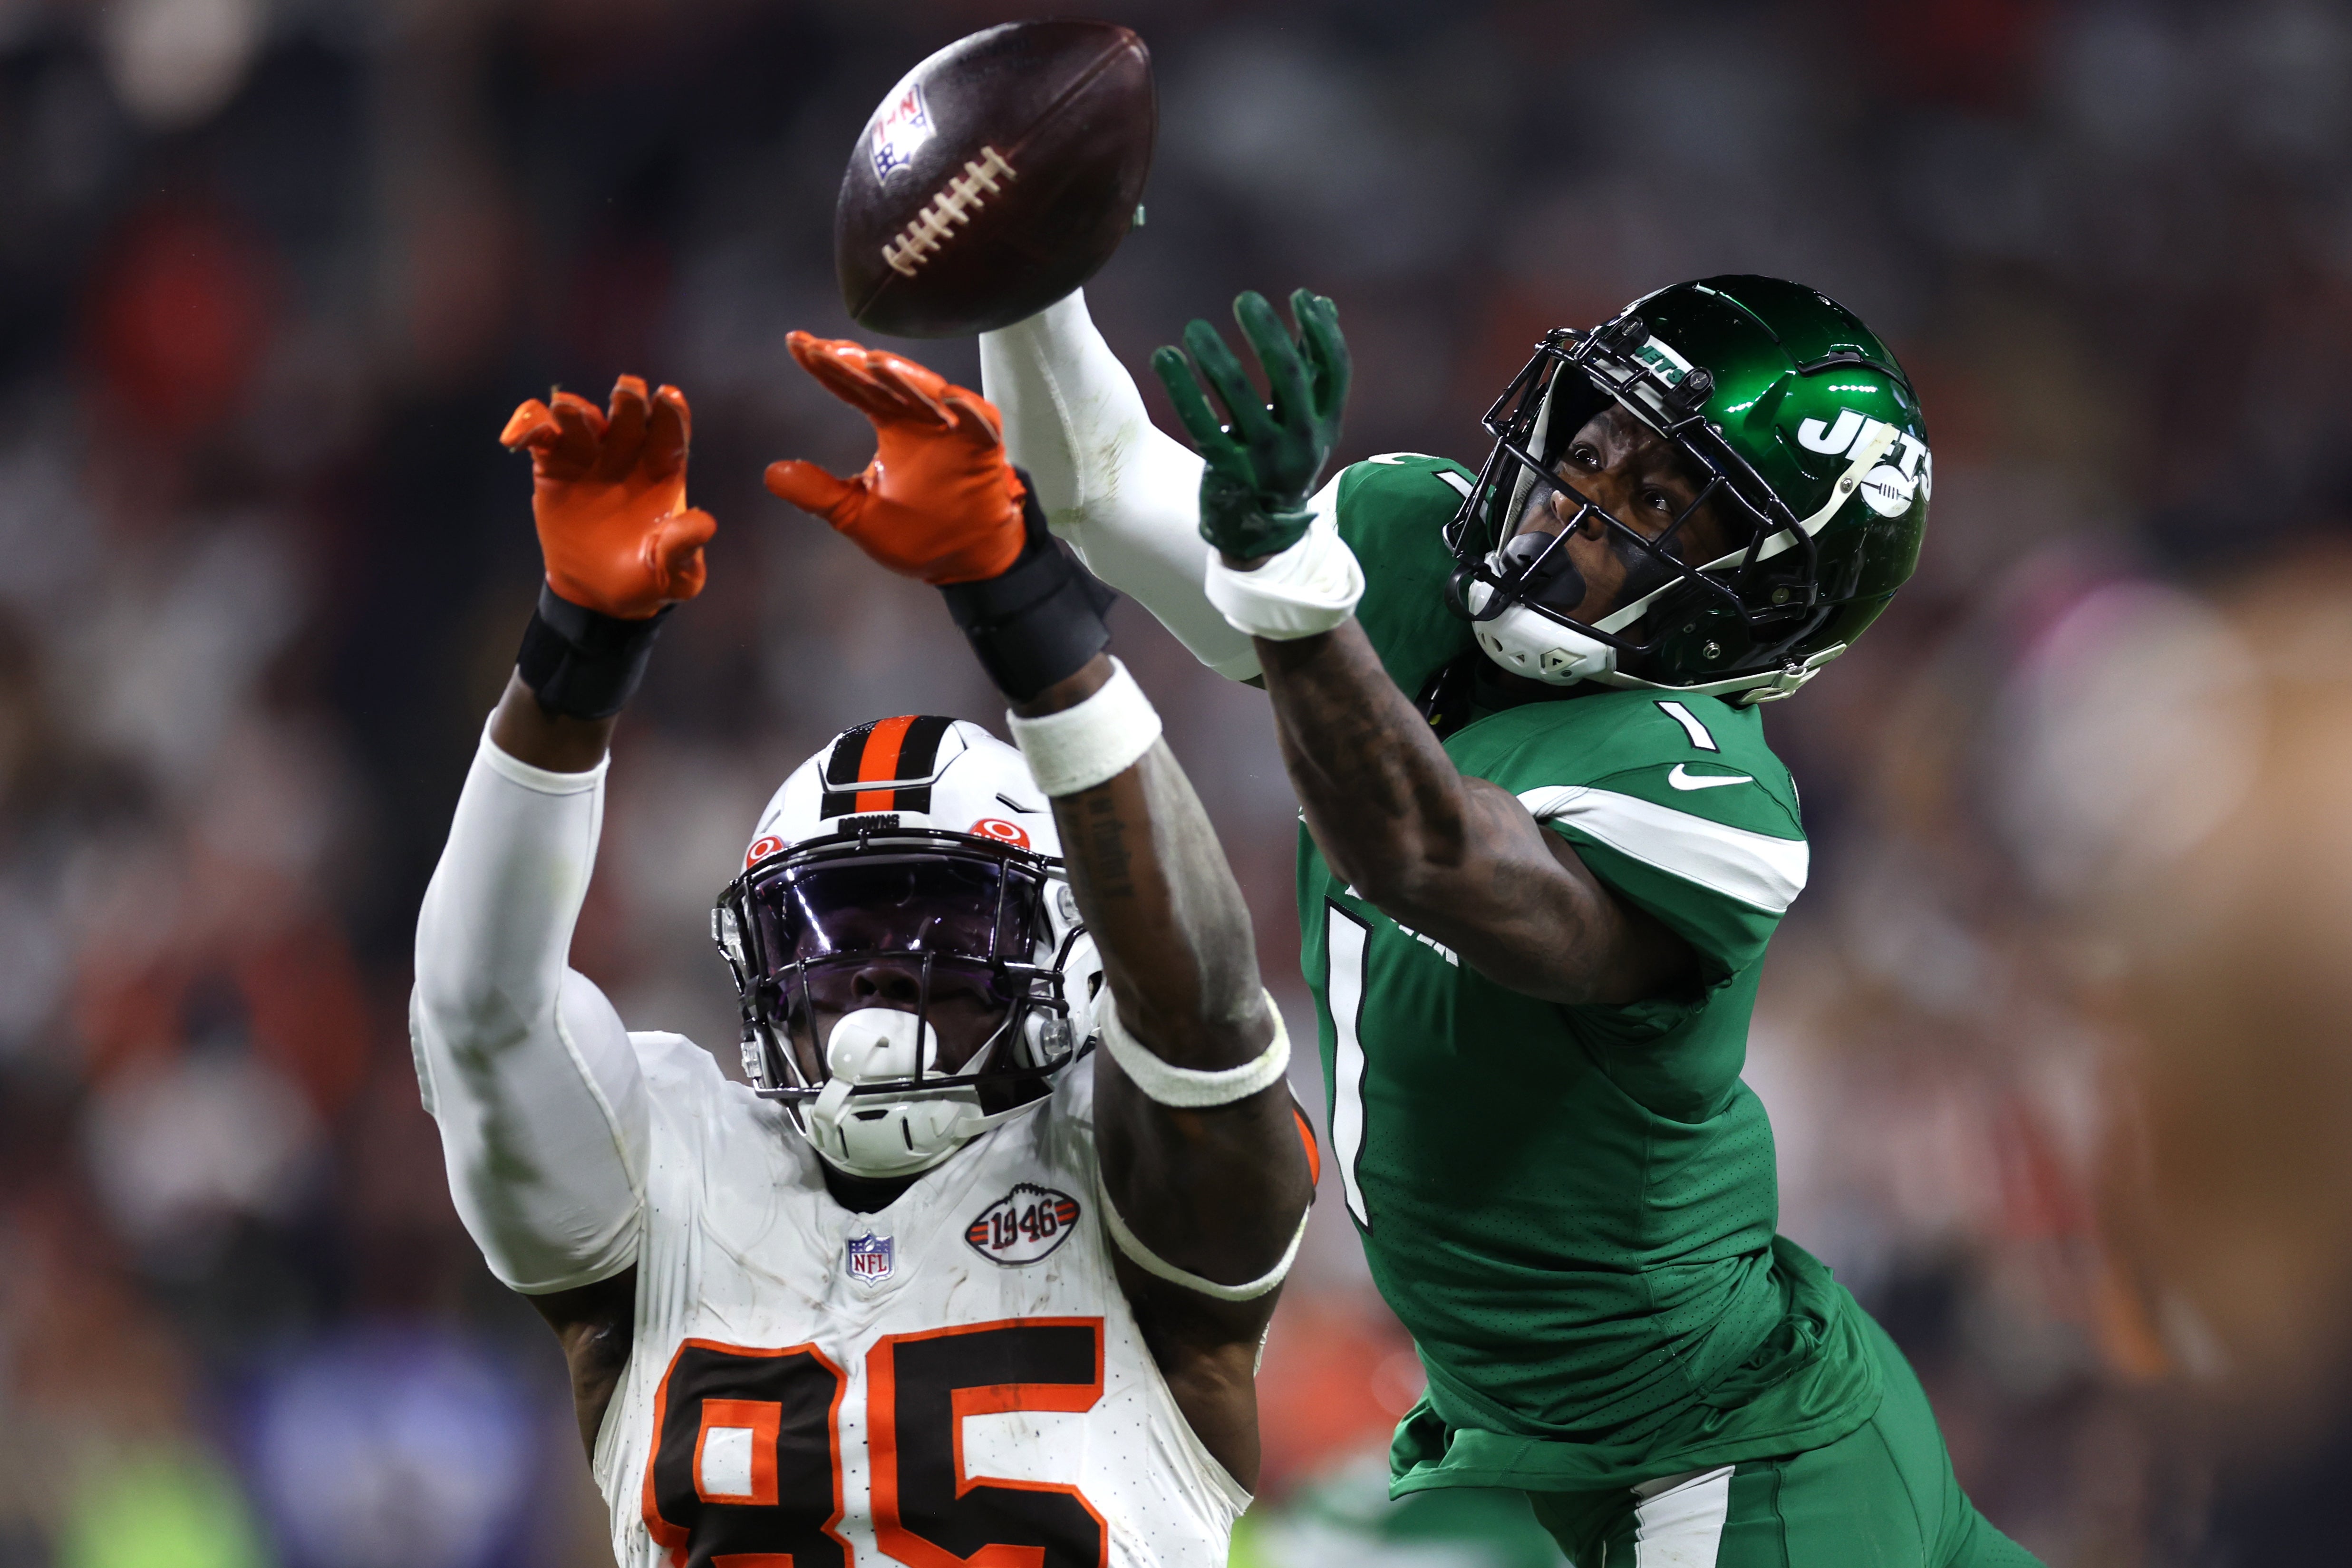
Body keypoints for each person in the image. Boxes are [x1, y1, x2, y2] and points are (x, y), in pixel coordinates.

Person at [961, 281, 2042, 1566]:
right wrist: (1022, 281)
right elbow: (1095, 481)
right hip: (1562, 1451)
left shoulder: (1704, 788)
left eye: (1657, 504)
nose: (1569, 508)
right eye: (1585, 451)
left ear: (1759, 601)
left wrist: (1289, 585)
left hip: (1729, 1454)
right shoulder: (1409, 556)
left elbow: (1423, 851)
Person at [409, 358, 1316, 1568]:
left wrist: (1026, 610)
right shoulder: (670, 1166)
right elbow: (477, 1012)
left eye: (942, 922)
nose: (878, 969)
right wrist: (573, 656)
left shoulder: (1122, 1166)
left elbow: (1202, 1016)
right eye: (829, 935)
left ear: (1074, 953)